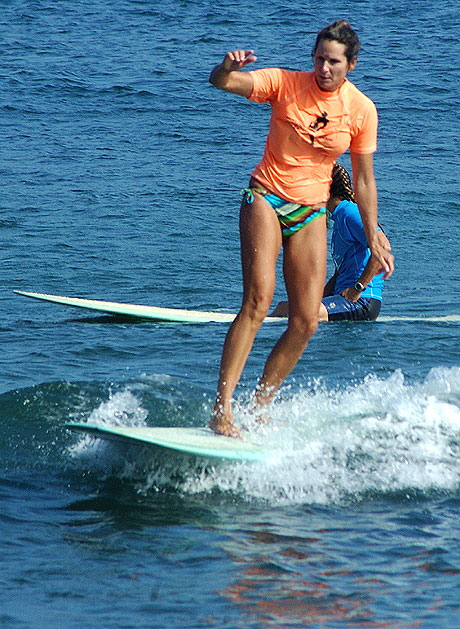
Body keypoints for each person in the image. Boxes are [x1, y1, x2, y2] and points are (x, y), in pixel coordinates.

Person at [208, 20, 394, 438]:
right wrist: (225, 67)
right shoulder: (284, 83)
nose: (323, 68)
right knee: (259, 300)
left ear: (351, 65)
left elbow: (363, 181)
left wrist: (373, 235)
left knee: (307, 319)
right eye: (318, 59)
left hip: (311, 212)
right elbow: (222, 82)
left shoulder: (361, 110)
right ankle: (222, 411)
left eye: (333, 62)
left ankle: (259, 408)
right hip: (267, 198)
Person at [272, 163, 385, 322]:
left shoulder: (350, 212)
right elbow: (341, 270)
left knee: (288, 311)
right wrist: (318, 298)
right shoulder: (339, 217)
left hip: (362, 300)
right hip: (344, 297)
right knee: (284, 307)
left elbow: (381, 249)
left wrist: (357, 288)